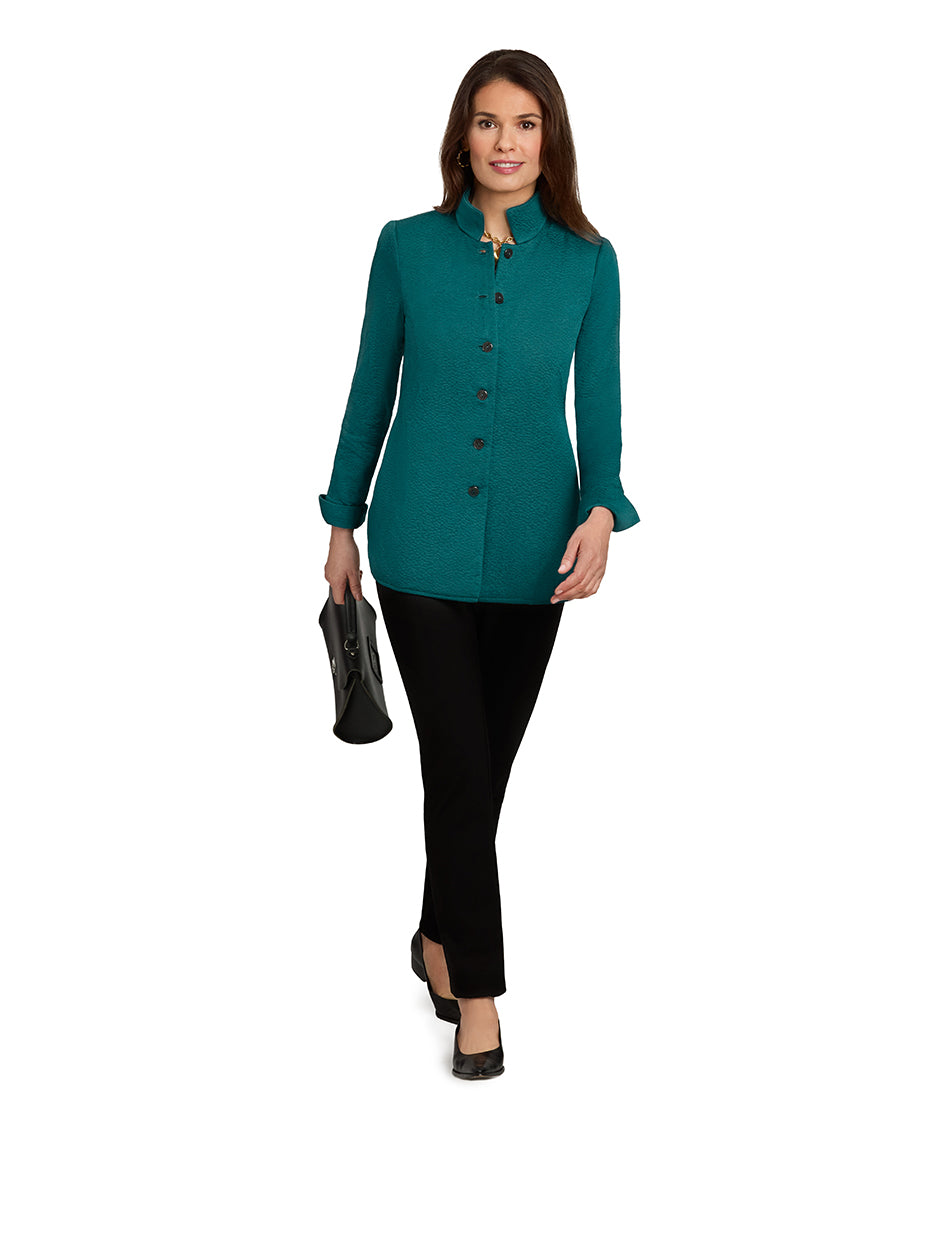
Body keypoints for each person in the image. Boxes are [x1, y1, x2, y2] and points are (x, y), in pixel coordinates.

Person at [319, 49, 640, 1080]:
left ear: (551, 142)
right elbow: (370, 384)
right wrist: (341, 521)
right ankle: (480, 997)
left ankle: (432, 935)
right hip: (416, 546)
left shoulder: (588, 261)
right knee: (459, 768)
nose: (506, 143)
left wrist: (601, 508)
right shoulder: (406, 248)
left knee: (478, 780)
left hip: (537, 558)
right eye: (489, 121)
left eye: (526, 125)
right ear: (462, 134)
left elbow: (601, 404)